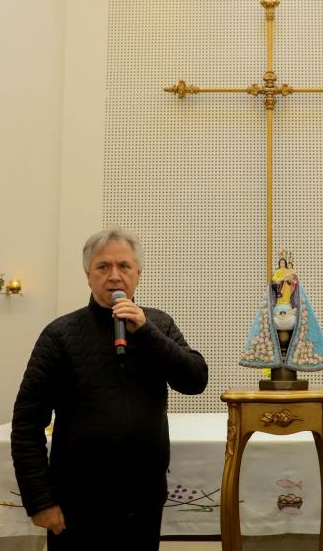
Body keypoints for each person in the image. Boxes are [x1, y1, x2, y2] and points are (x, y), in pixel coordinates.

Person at [11, 228, 208, 550]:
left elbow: (195, 381)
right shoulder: (59, 335)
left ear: (138, 274)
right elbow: (26, 423)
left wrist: (146, 332)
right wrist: (40, 501)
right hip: (77, 503)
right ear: (88, 276)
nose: (114, 275)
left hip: (143, 501)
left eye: (124, 266)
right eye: (103, 266)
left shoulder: (159, 324)